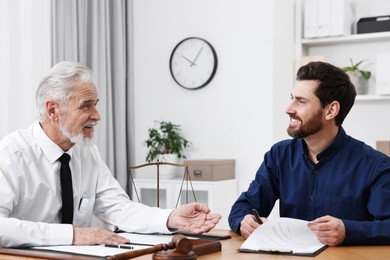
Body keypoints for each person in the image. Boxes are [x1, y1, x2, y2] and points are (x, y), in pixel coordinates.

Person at [0, 61, 221, 247]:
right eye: (86, 106)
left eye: (95, 105)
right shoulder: (12, 153)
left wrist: (171, 217)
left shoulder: (87, 152)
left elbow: (118, 208)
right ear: (52, 110)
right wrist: (74, 235)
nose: (97, 116)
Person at [228, 61, 390, 246]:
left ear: (331, 110)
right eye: (292, 98)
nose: (289, 109)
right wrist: (244, 220)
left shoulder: (375, 166)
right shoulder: (279, 155)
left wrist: (348, 230)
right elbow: (244, 206)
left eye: (301, 101)